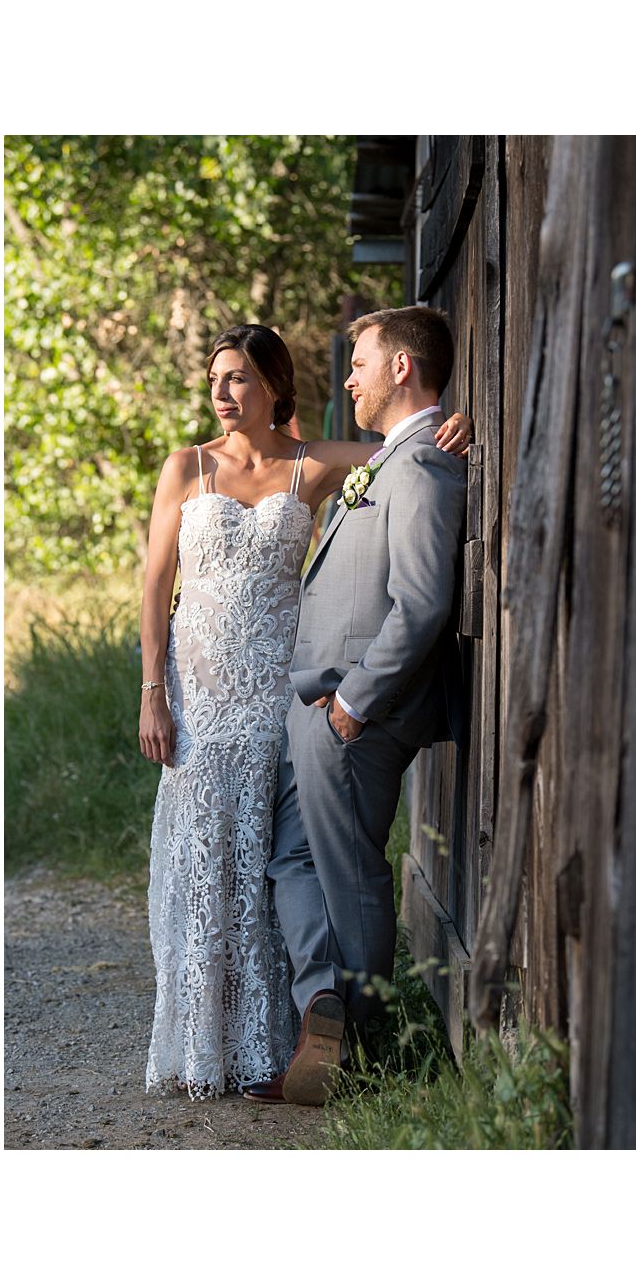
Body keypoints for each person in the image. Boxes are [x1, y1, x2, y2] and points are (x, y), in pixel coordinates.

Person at [139, 322, 467, 1102]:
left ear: (274, 387)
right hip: (200, 697)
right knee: (204, 863)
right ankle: (205, 1039)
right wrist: (152, 690)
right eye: (216, 379)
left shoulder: (311, 464)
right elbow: (155, 585)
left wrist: (462, 422)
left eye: (239, 379)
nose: (222, 393)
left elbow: (399, 456)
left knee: (272, 862)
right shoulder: (185, 467)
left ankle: (286, 1037)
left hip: (276, 696)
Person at [265, 306, 467, 1105]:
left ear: (403, 368)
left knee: (349, 876)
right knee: (291, 855)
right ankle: (325, 1003)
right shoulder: (393, 458)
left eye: (359, 361)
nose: (348, 376)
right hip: (315, 708)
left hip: (353, 711)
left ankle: (369, 1047)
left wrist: (353, 699)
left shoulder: (422, 466)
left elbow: (421, 604)